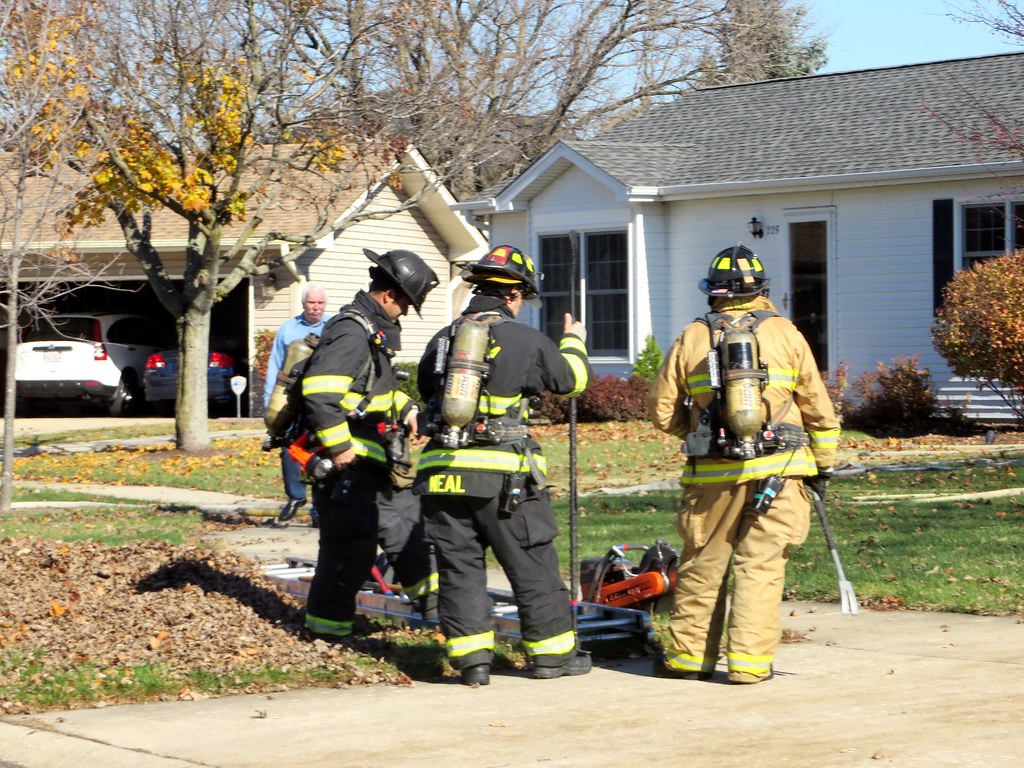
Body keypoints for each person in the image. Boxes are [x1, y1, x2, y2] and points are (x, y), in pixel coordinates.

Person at [647, 245, 841, 684]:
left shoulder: (693, 336)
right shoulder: (787, 334)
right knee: (761, 568)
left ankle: (688, 660)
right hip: (781, 472)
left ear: (713, 293)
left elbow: (660, 409)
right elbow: (818, 409)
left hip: (713, 478)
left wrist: (697, 434)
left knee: (703, 566)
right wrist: (822, 466)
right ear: (762, 290)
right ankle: (750, 667)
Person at [414, 244, 592, 686]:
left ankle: (473, 663)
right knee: (531, 562)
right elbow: (571, 382)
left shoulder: (442, 340)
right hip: (504, 478)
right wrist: (573, 340)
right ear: (513, 295)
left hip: (440, 474)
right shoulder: (527, 340)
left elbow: (424, 393)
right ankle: (552, 656)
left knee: (459, 568)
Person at [299, 248, 440, 640]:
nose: (407, 313)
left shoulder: (369, 331)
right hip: (348, 468)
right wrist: (339, 446)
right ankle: (328, 636)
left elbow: (372, 391)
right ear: (389, 295)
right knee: (350, 552)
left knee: (411, 534)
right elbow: (319, 391)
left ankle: (442, 617)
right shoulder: (351, 330)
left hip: (374, 467)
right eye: (407, 304)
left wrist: (408, 408)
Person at [264, 283, 330, 526]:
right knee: (289, 449)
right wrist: (269, 402)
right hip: (292, 399)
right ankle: (295, 497)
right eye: (312, 303)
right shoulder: (288, 329)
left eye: (320, 303)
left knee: (322, 450)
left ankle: (319, 509)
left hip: (322, 399)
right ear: (304, 303)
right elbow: (276, 366)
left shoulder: (333, 327)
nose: (316, 308)